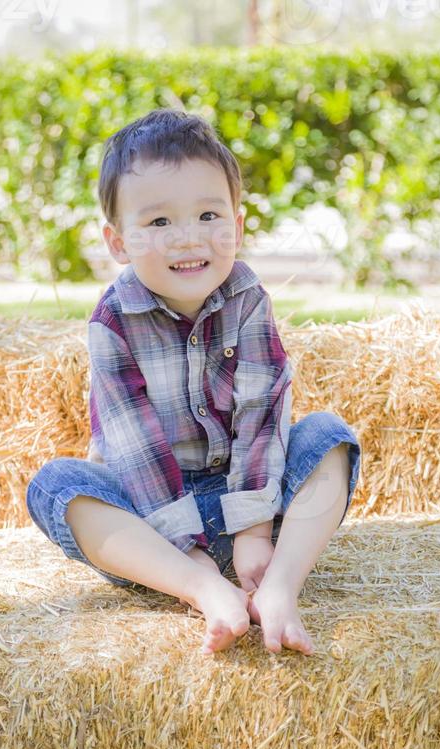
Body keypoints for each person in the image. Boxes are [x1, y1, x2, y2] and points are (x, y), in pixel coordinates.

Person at [26, 108, 361, 658]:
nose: (188, 239)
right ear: (118, 242)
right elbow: (135, 449)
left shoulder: (248, 298)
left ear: (238, 223)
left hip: (251, 496)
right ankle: (204, 590)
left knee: (328, 438)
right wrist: (192, 557)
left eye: (208, 215)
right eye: (159, 223)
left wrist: (254, 531)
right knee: (56, 484)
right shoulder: (113, 321)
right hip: (150, 523)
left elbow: (263, 411)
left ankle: (279, 587)